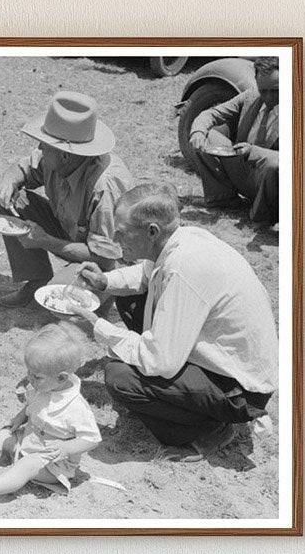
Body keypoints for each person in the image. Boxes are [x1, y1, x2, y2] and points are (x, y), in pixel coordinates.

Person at [74, 181, 277, 451]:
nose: (115, 240)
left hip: (240, 389)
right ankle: (186, 407)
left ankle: (208, 430)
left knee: (120, 377)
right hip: (228, 364)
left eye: (121, 233)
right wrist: (104, 281)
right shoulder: (181, 239)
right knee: (131, 300)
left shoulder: (185, 268)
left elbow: (160, 361)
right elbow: (147, 275)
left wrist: (99, 327)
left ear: (152, 231)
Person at [0, 90, 134, 307]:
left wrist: (45, 240)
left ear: (65, 155)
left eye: (46, 145)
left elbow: (105, 258)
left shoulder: (104, 186)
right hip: (73, 234)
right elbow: (23, 168)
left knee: (60, 303)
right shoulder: (59, 160)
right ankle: (36, 280)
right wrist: (8, 181)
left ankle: (102, 298)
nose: (39, 147)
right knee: (12, 200)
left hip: (106, 263)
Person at [0, 322, 101, 503]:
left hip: (51, 463)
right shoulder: (46, 385)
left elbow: (92, 438)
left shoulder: (76, 407)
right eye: (28, 371)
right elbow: (33, 406)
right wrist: (18, 418)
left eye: (36, 376)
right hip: (28, 442)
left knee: (28, 464)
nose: (29, 378)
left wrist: (66, 448)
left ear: (61, 377)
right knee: (3, 434)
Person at [188, 56, 280, 225]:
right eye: (263, 90)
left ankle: (262, 218)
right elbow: (211, 114)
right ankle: (223, 199)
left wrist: (253, 151)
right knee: (208, 136)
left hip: (274, 184)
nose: (268, 97)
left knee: (274, 164)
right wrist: (198, 133)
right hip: (247, 171)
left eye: (275, 91)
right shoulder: (251, 96)